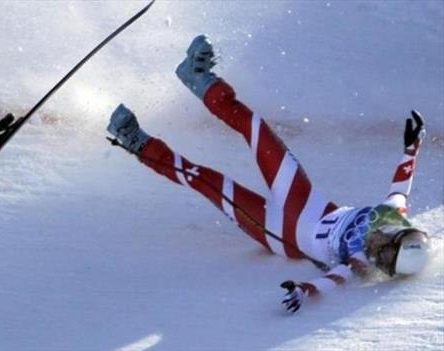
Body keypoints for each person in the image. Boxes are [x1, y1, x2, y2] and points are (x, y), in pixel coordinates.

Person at [106, 35, 430, 313]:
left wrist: (304, 291)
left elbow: (333, 280)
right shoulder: (392, 212)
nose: (379, 253)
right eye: (387, 247)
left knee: (208, 180)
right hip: (306, 202)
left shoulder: (362, 261)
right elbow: (401, 184)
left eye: (386, 261)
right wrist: (412, 146)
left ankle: (138, 142)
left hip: (281, 233)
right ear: (395, 231)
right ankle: (200, 78)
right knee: (258, 130)